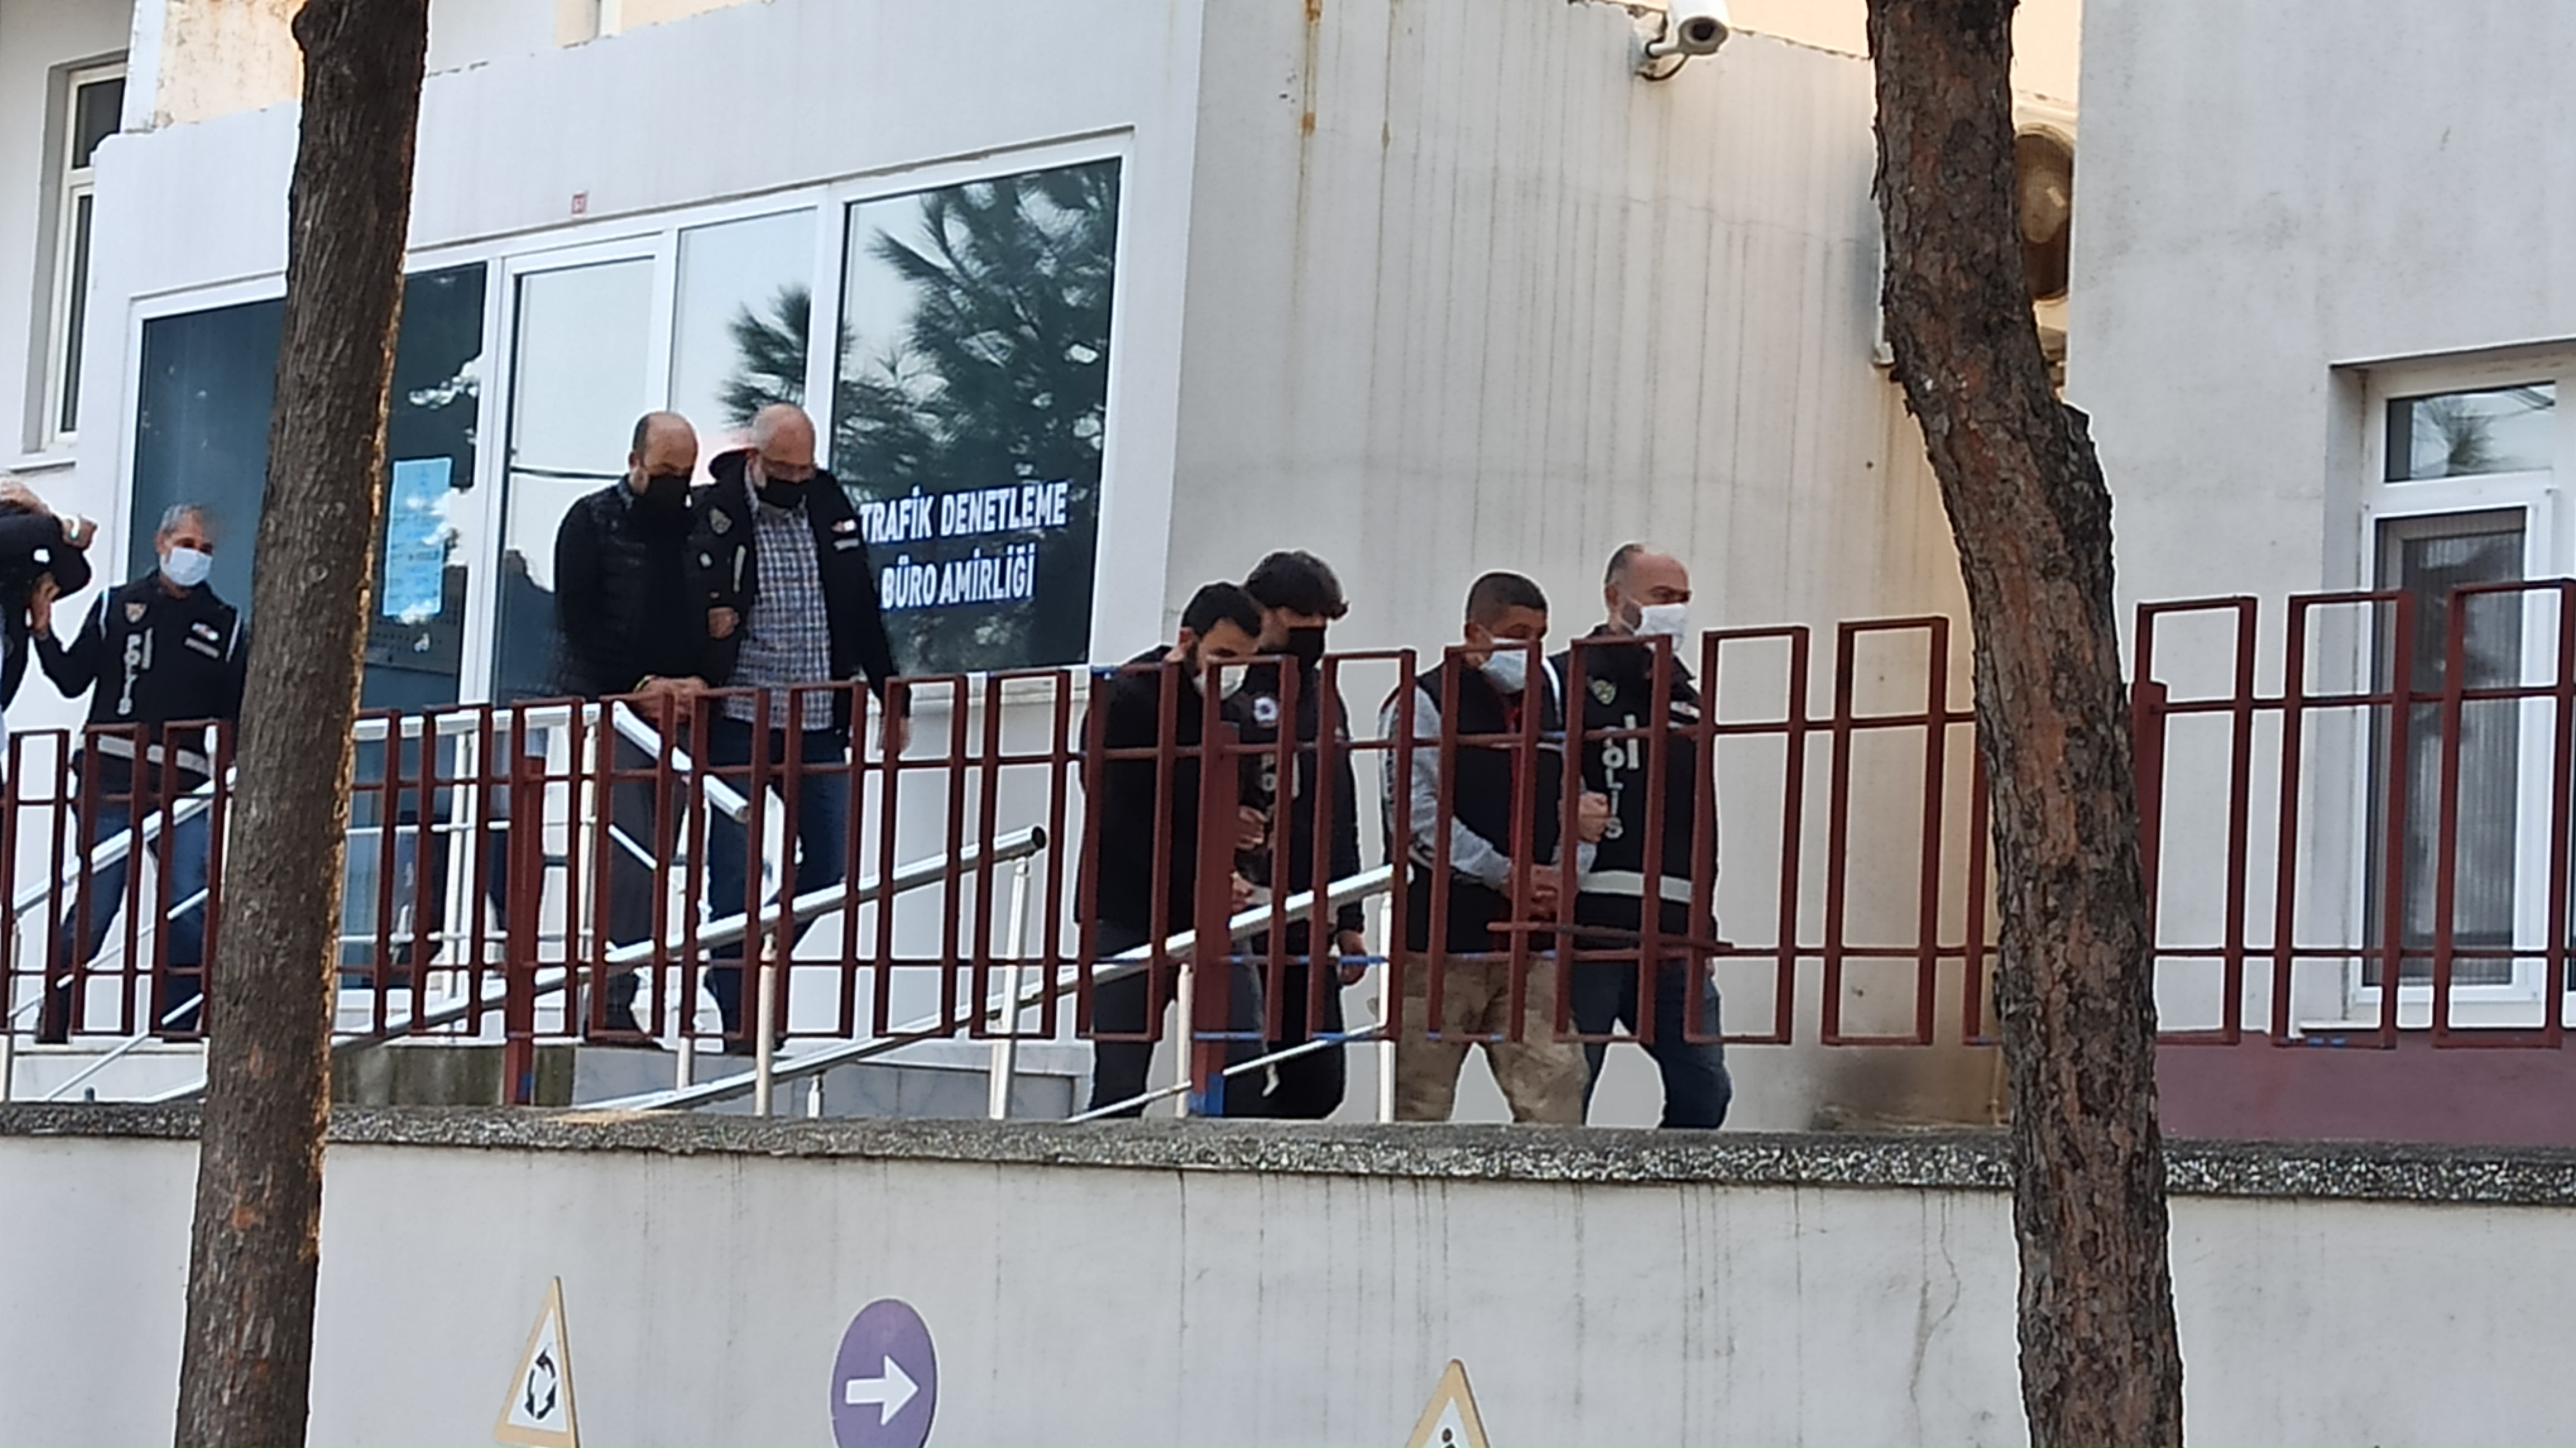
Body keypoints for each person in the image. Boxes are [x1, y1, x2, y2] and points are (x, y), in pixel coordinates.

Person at [689, 403, 904, 1050]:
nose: (794, 480)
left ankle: (752, 958)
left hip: (817, 719)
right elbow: (683, 597)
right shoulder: (716, 510)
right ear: (755, 458)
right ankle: (738, 1008)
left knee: (833, 863)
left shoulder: (830, 503)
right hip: (738, 715)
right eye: (782, 469)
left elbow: (861, 605)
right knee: (733, 870)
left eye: (803, 468)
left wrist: (890, 692)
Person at [1383, 571, 1607, 1123]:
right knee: (1419, 1105)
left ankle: (1552, 1185)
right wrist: (1505, 873)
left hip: (1530, 944)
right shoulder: (1425, 699)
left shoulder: (1550, 705)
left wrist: (1563, 875)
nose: (1530, 650)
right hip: (1437, 943)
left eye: (1540, 636)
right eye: (1517, 634)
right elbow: (1415, 817)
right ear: (1474, 633)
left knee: (1557, 1091)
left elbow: (1576, 803)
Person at [33, 503, 246, 1040]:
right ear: (161, 543)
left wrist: (232, 776)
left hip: (184, 787)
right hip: (109, 780)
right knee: (97, 904)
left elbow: (237, 714)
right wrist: (43, 631)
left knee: (189, 906)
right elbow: (71, 679)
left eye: (205, 549)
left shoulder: (225, 624)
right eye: (187, 544)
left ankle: (176, 1030)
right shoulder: (116, 605)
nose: (195, 556)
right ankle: (54, 1020)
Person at [1557, 544, 1733, 1129]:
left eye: (1683, 599)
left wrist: (1703, 926)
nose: (1675, 610)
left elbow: (1702, 816)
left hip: (1673, 928)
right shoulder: (1568, 678)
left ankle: (1668, 1180)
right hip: (1588, 925)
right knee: (1568, 1090)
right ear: (1615, 598)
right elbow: (1532, 782)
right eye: (1662, 597)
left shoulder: (1685, 697)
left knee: (1705, 1087)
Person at [1082, 581, 1271, 1117]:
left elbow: (1253, 797)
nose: (1233, 672)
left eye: (1246, 661)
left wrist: (1247, 844)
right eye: (1224, 656)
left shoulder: (1235, 709)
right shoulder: (1126, 698)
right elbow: (1117, 815)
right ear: (1187, 639)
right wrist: (1205, 867)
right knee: (1121, 1082)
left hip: (1214, 912)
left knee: (1242, 1069)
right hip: (1130, 908)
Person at [550, 411, 710, 1036]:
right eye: (665, 471)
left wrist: (699, 680)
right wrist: (639, 688)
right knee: (627, 857)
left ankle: (625, 994)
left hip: (685, 713)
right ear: (634, 462)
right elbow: (578, 621)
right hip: (613, 711)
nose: (675, 485)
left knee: (659, 860)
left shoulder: (700, 525)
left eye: (685, 473)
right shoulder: (590, 520)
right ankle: (606, 1003)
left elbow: (715, 614)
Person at [1234, 550, 1365, 1119]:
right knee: (1235, 1069)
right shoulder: (1233, 683)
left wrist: (1351, 917)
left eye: (1323, 620)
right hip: (1245, 908)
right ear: (1263, 611)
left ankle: (1249, 1146)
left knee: (1320, 1083)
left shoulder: (1322, 693)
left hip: (1311, 914)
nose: (1313, 632)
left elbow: (1340, 806)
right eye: (1300, 617)